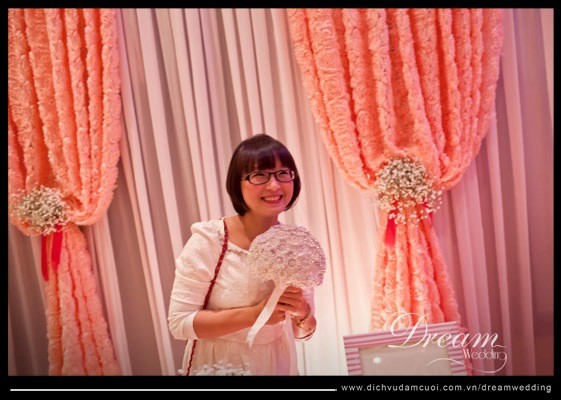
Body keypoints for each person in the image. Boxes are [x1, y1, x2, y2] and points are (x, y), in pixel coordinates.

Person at [168, 133, 317, 376]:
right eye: (259, 175)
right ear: (237, 184)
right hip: (220, 365)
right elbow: (179, 323)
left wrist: (302, 311)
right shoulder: (211, 239)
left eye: (283, 173)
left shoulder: (294, 245)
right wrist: (256, 314)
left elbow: (302, 333)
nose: (274, 185)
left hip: (277, 365)